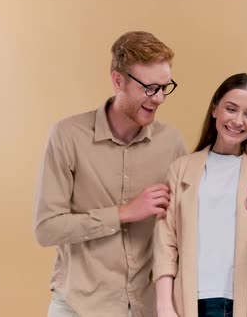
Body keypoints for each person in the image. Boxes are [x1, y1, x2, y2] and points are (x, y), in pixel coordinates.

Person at [33, 31, 187, 317]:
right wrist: (124, 212)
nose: (161, 98)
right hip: (79, 308)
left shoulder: (172, 143)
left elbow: (180, 228)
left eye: (166, 87)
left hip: (148, 307)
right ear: (118, 81)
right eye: (150, 88)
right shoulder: (68, 136)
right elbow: (47, 228)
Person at [153, 73, 247, 317]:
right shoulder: (181, 168)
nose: (238, 121)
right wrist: (164, 306)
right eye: (231, 109)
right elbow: (166, 242)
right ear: (215, 109)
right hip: (191, 300)